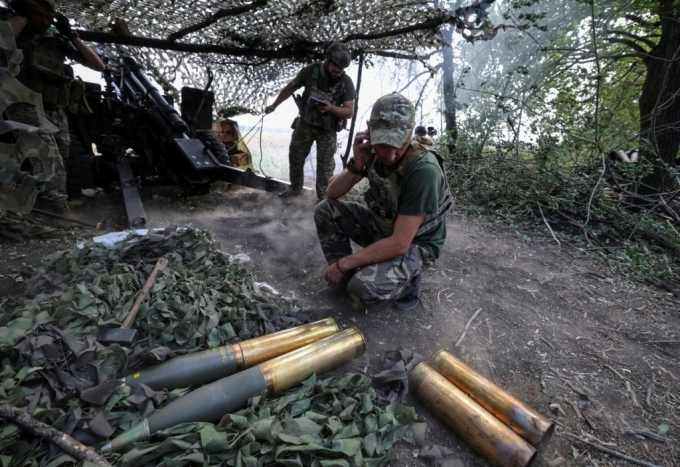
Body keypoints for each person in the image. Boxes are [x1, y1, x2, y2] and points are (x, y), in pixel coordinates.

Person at [314, 93, 453, 310]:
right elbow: (330, 193)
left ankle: (408, 283)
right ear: (370, 129)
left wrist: (344, 263)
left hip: (415, 242)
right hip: (383, 225)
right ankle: (349, 276)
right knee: (325, 210)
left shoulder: (424, 170)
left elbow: (400, 243)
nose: (389, 156)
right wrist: (357, 167)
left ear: (410, 133)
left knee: (362, 290)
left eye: (399, 145)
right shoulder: (369, 150)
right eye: (383, 145)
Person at [3, 0, 105, 205]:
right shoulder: (15, 31)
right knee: (48, 158)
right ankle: (57, 207)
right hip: (24, 104)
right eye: (41, 15)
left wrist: (72, 35)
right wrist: (20, 17)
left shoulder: (56, 40)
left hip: (54, 109)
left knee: (60, 156)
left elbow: (98, 65)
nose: (47, 20)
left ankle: (34, 198)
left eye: (51, 17)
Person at [265, 42, 356, 200]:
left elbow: (349, 111)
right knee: (295, 156)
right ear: (326, 59)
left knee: (325, 168)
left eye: (341, 69)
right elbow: (290, 88)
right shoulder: (310, 71)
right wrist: (274, 105)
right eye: (335, 66)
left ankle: (323, 200)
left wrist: (330, 108)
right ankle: (294, 190)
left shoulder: (346, 82)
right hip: (306, 124)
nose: (338, 71)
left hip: (328, 130)